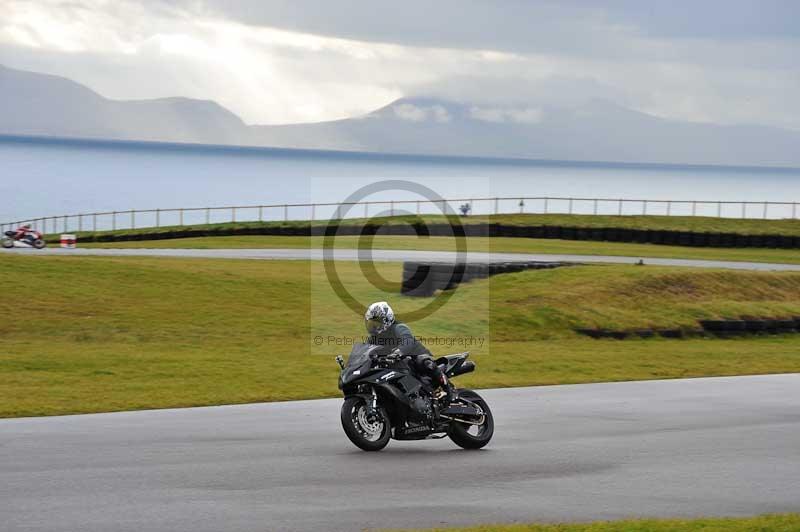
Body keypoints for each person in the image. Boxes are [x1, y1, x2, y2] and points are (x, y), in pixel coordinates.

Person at [364, 301, 454, 403]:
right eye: (372, 323)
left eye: (377, 322)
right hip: (394, 363)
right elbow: (366, 351)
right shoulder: (373, 338)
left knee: (425, 362)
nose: (374, 326)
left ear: (387, 320)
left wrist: (398, 352)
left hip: (414, 356)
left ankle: (448, 390)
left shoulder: (398, 327)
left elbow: (407, 342)